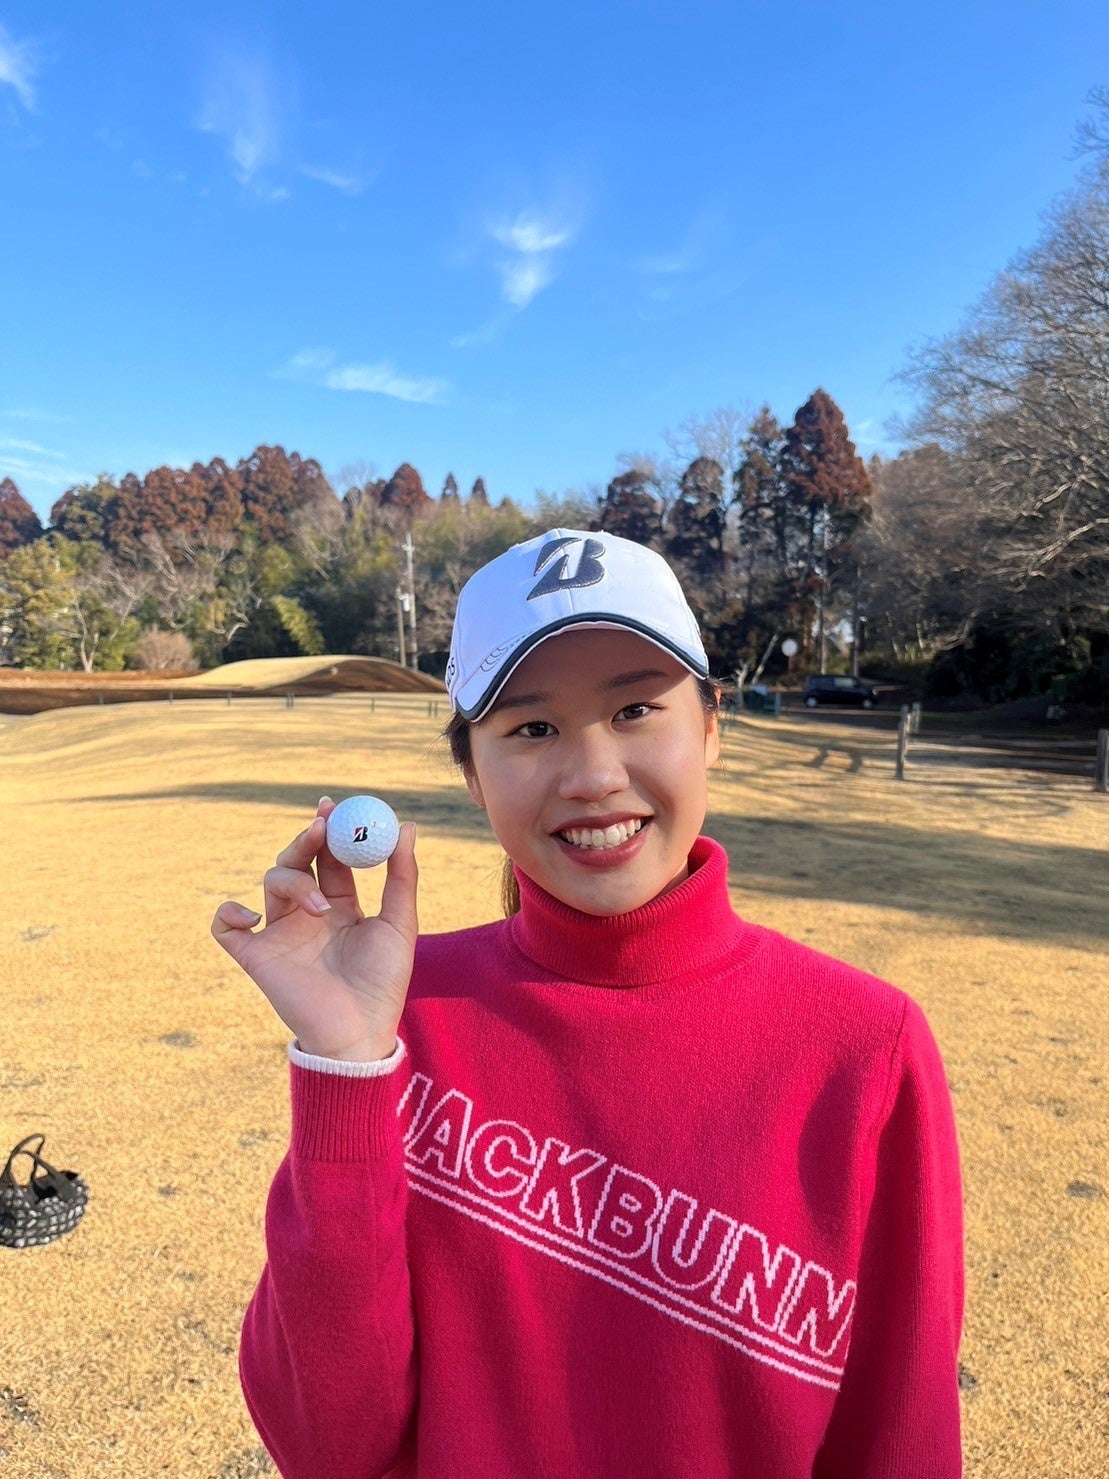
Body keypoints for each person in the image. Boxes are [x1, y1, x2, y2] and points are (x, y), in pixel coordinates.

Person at [212, 529, 965, 1479]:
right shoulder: (395, 1018)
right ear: (472, 773)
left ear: (711, 727)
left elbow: (903, 1433)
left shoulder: (866, 1044)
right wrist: (344, 1064)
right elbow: (328, 1447)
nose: (593, 775)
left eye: (636, 708)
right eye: (531, 728)